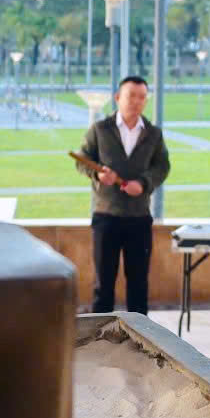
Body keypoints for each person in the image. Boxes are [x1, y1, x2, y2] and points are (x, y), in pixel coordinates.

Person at [78, 74, 171, 316]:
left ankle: (139, 336)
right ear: (118, 97)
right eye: (131, 96)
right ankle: (99, 335)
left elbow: (162, 166)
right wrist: (98, 174)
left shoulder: (153, 134)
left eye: (142, 97)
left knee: (138, 285)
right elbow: (83, 160)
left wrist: (144, 183)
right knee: (103, 285)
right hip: (106, 217)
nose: (136, 101)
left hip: (139, 218)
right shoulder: (100, 130)